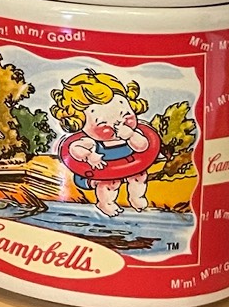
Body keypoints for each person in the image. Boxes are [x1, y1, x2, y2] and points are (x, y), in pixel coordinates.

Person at [51, 70, 160, 218]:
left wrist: (130, 135)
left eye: (125, 115)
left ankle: (137, 197)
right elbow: (74, 149)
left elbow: (142, 146)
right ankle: (105, 203)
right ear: (80, 123)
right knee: (111, 183)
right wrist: (89, 156)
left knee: (139, 176)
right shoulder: (91, 141)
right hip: (99, 172)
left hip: (131, 166)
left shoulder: (133, 133)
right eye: (103, 122)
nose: (117, 123)